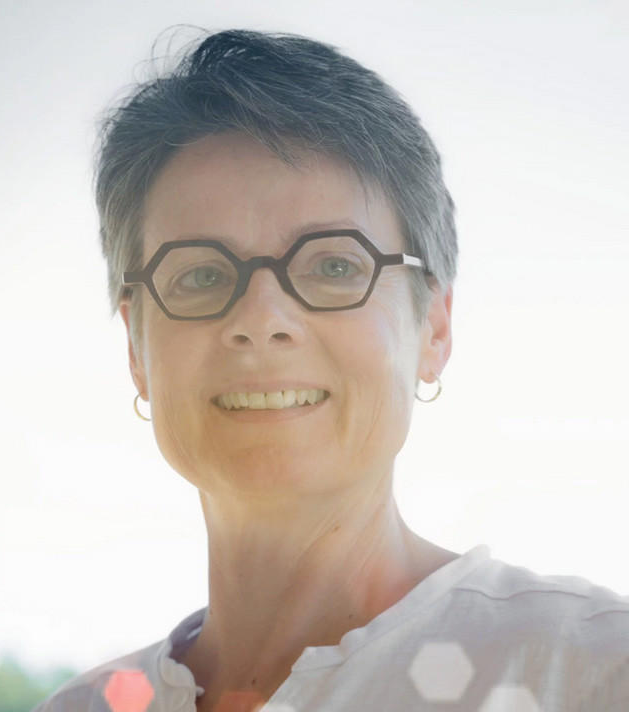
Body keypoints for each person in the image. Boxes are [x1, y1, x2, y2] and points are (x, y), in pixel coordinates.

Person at [33, 29, 629, 712]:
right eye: (200, 275)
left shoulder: (595, 674)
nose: (262, 318)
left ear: (434, 329)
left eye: (335, 265)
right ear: (137, 350)